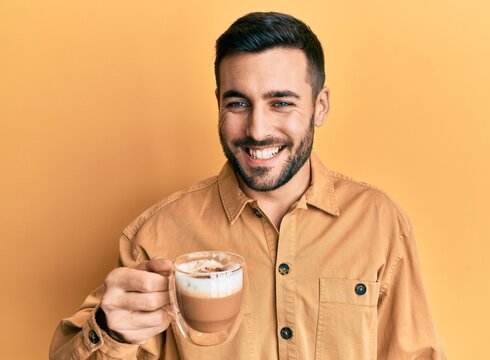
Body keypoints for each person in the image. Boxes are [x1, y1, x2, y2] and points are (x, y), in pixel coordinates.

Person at [50, 12, 445, 360]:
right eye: (238, 103)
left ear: (319, 106)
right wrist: (112, 331)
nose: (257, 130)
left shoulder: (379, 222)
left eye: (281, 103)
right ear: (219, 102)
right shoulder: (155, 236)